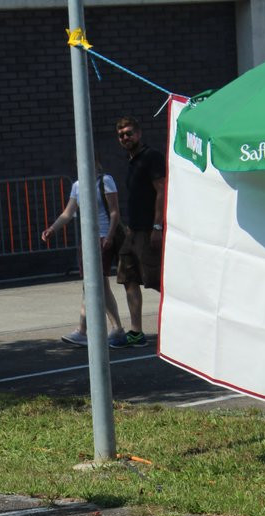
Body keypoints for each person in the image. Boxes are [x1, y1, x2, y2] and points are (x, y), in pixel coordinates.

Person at [42, 158, 126, 347]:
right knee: (94, 285)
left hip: (102, 237)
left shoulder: (105, 181)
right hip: (87, 240)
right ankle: (96, 330)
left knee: (95, 285)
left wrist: (110, 236)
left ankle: (103, 329)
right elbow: (67, 213)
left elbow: (114, 212)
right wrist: (52, 229)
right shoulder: (78, 186)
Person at [113, 115, 166, 347]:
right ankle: (136, 332)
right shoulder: (131, 161)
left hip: (148, 230)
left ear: (139, 133)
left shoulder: (151, 157)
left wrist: (157, 226)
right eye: (121, 135)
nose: (125, 137)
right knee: (128, 278)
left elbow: (162, 190)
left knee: (157, 280)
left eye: (129, 133)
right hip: (132, 231)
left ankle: (190, 322)